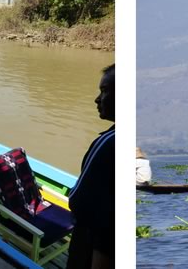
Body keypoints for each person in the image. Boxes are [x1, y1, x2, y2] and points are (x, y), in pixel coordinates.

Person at [67, 64, 114, 269]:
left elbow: (78, 201)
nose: (97, 99)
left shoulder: (109, 142)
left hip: (93, 244)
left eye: (104, 91)